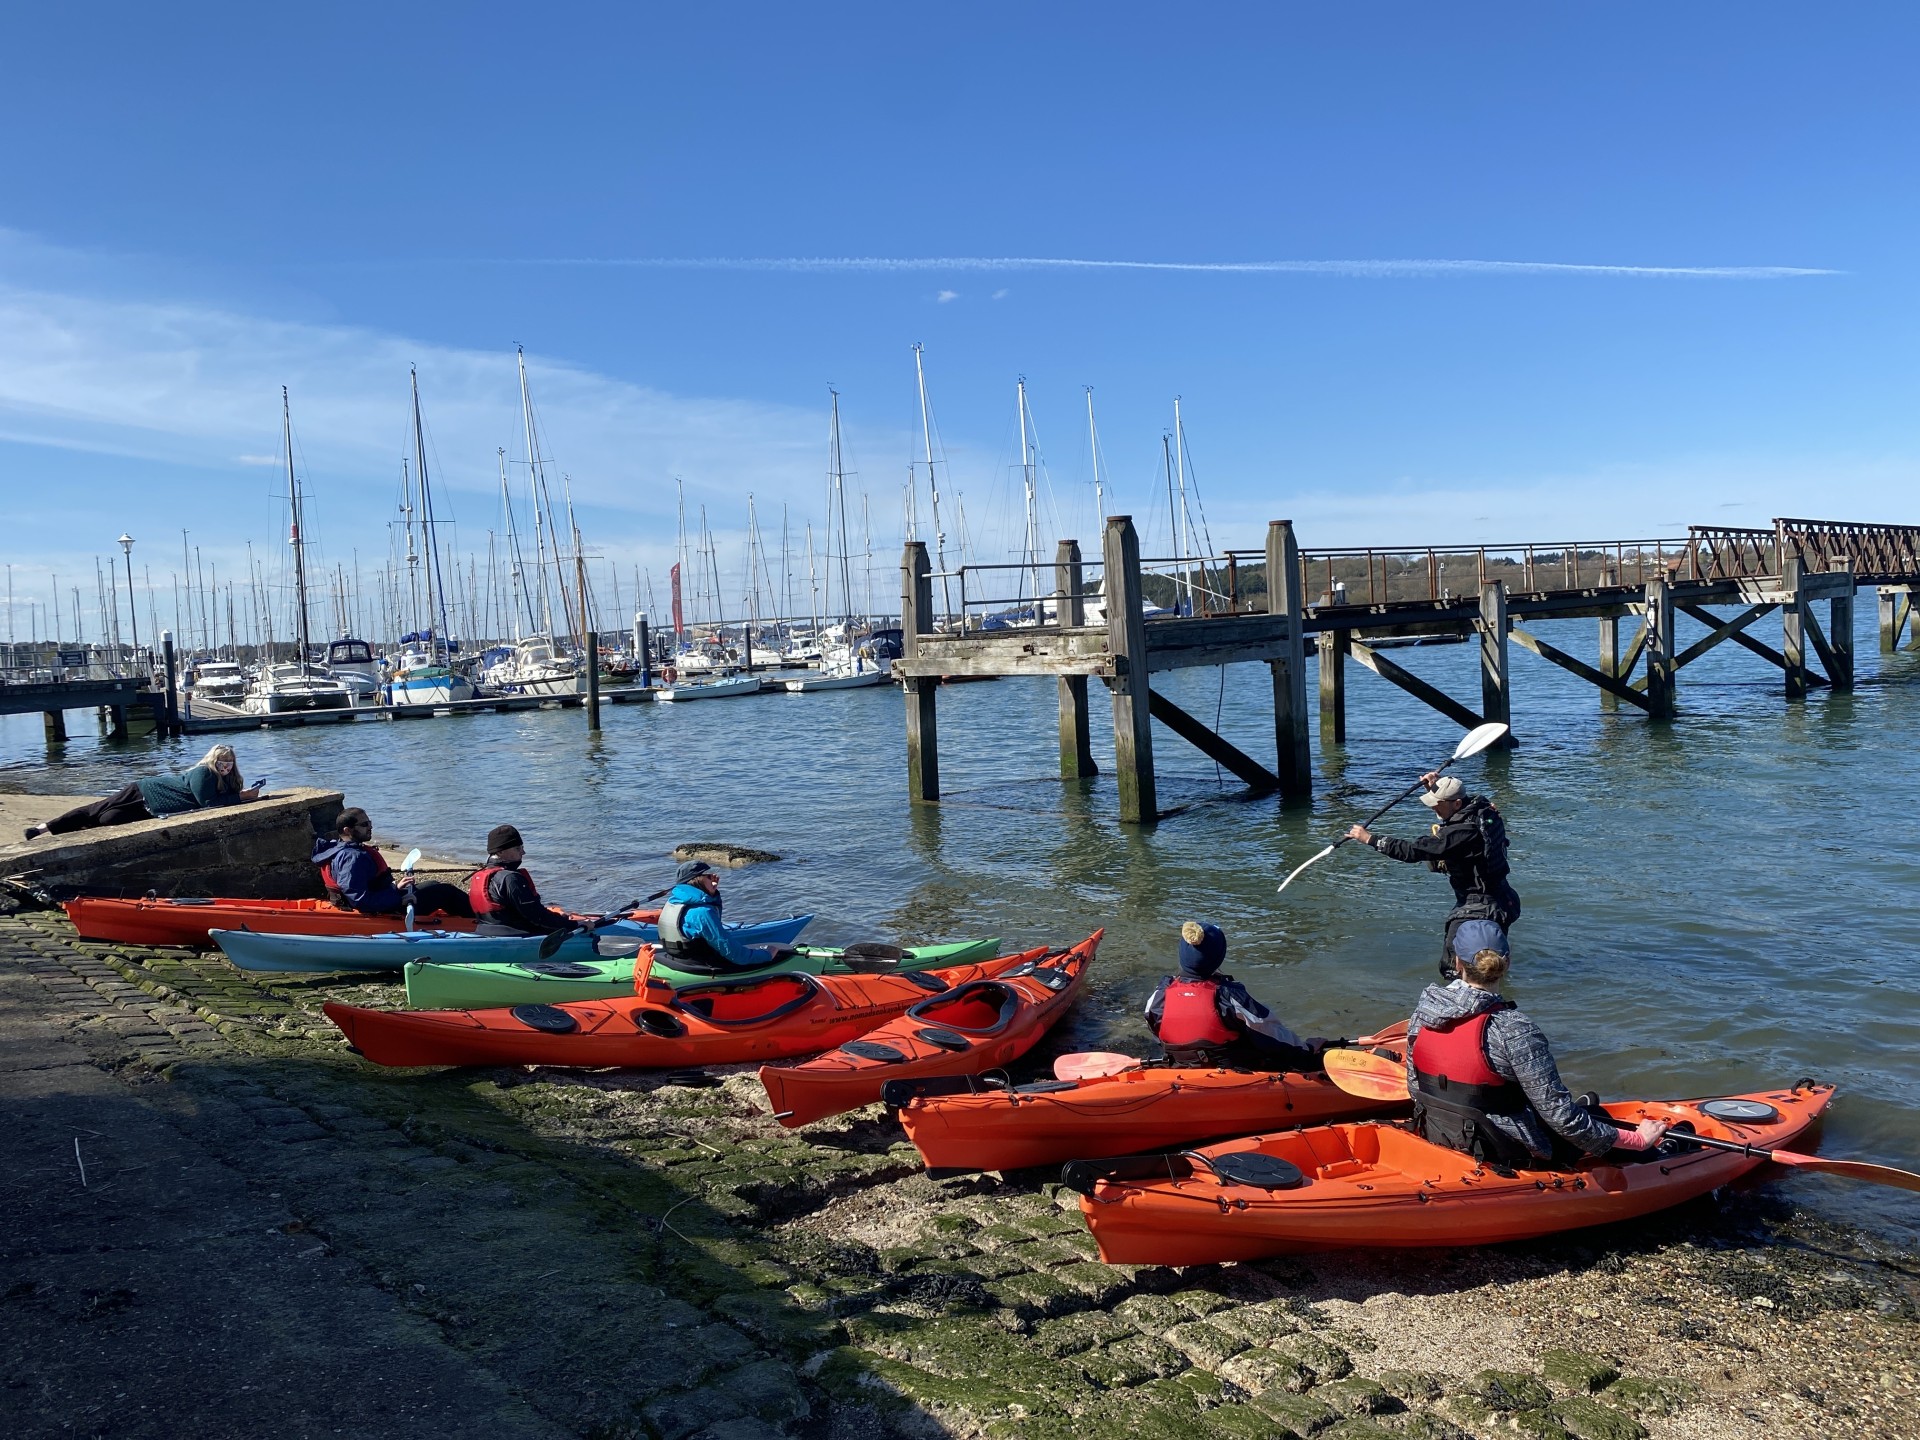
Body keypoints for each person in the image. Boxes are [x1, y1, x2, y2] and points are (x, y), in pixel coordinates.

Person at [1404, 921, 1669, 1168]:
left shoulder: (1425, 1011)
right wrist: (1638, 1140)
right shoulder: (1513, 1028)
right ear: (1506, 963)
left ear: (1457, 961)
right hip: (1502, 1148)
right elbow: (1561, 1119)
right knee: (1596, 1117)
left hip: (1440, 1129)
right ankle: (1661, 1153)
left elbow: (1416, 1088)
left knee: (1582, 1110)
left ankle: (1589, 1111)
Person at [1346, 772, 1521, 977]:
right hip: (1502, 900)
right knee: (1490, 967)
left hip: (1479, 907)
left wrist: (1371, 839)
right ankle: (1491, 1001)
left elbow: (1414, 851)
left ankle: (1461, 1005)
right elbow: (1453, 816)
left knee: (1453, 968)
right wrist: (1434, 788)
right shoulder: (1483, 809)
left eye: (1437, 803)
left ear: (1456, 804)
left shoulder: (1462, 832)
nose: (1432, 807)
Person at [1144, 922, 1326, 1071]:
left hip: (1183, 1067)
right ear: (1218, 959)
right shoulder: (1229, 996)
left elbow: (1157, 1034)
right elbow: (1272, 1034)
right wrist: (1307, 1048)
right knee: (1304, 1058)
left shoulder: (1159, 995)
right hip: (1232, 1069)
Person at [25, 744, 259, 839]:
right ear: (213, 760)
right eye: (222, 762)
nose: (226, 766)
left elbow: (220, 800)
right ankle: (42, 828)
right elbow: (207, 803)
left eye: (229, 762)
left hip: (154, 809)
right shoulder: (204, 773)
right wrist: (241, 797)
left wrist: (243, 795)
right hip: (145, 791)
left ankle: (70, 832)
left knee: (110, 820)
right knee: (95, 809)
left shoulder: (229, 778)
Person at [311, 808, 472, 921]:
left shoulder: (340, 848)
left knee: (434, 884)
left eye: (370, 823)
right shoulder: (352, 857)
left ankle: (461, 919)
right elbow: (359, 900)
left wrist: (395, 887)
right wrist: (397, 898)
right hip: (385, 907)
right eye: (364, 825)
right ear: (347, 830)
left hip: (384, 898)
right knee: (447, 892)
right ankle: (483, 922)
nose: (370, 827)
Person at [467, 825, 577, 937]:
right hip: (516, 935)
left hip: (483, 931)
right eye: (517, 848)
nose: (523, 852)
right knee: (589, 925)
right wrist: (575, 924)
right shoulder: (510, 878)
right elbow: (537, 917)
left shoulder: (478, 876)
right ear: (500, 852)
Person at [656, 860, 765, 971]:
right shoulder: (702, 912)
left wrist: (711, 894)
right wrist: (767, 953)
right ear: (696, 880)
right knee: (777, 954)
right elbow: (736, 955)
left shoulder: (672, 903)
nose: (715, 877)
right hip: (700, 965)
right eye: (709, 876)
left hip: (675, 959)